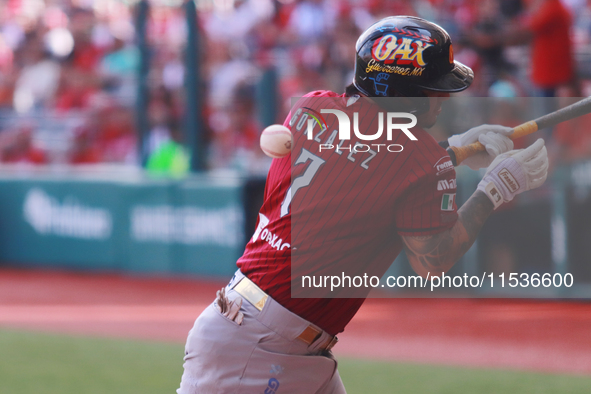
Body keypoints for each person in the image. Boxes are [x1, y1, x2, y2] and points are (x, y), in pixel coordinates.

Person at [177, 16, 549, 393]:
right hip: (258, 349)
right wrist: (494, 190)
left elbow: (370, 170)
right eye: (431, 88)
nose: (442, 97)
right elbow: (432, 261)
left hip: (260, 332)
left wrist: (453, 149)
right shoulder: (417, 158)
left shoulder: (312, 105)